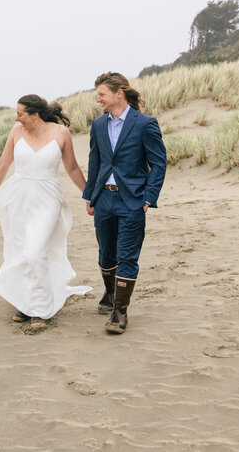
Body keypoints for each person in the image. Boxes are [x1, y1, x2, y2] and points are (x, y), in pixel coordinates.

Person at [0, 94, 92, 330]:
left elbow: (72, 167)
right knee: (21, 252)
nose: (17, 117)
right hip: (18, 198)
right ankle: (25, 302)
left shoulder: (60, 133)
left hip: (48, 198)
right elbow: (4, 163)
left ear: (35, 114)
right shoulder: (16, 131)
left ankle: (40, 311)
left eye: (20, 113)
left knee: (35, 251)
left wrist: (88, 193)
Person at [83, 72, 166, 334]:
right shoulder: (98, 125)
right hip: (103, 199)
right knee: (106, 254)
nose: (98, 100)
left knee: (127, 256)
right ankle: (110, 294)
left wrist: (149, 198)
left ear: (119, 93)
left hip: (132, 201)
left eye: (102, 94)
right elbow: (95, 161)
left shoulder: (145, 123)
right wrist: (90, 195)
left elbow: (159, 163)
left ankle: (120, 312)